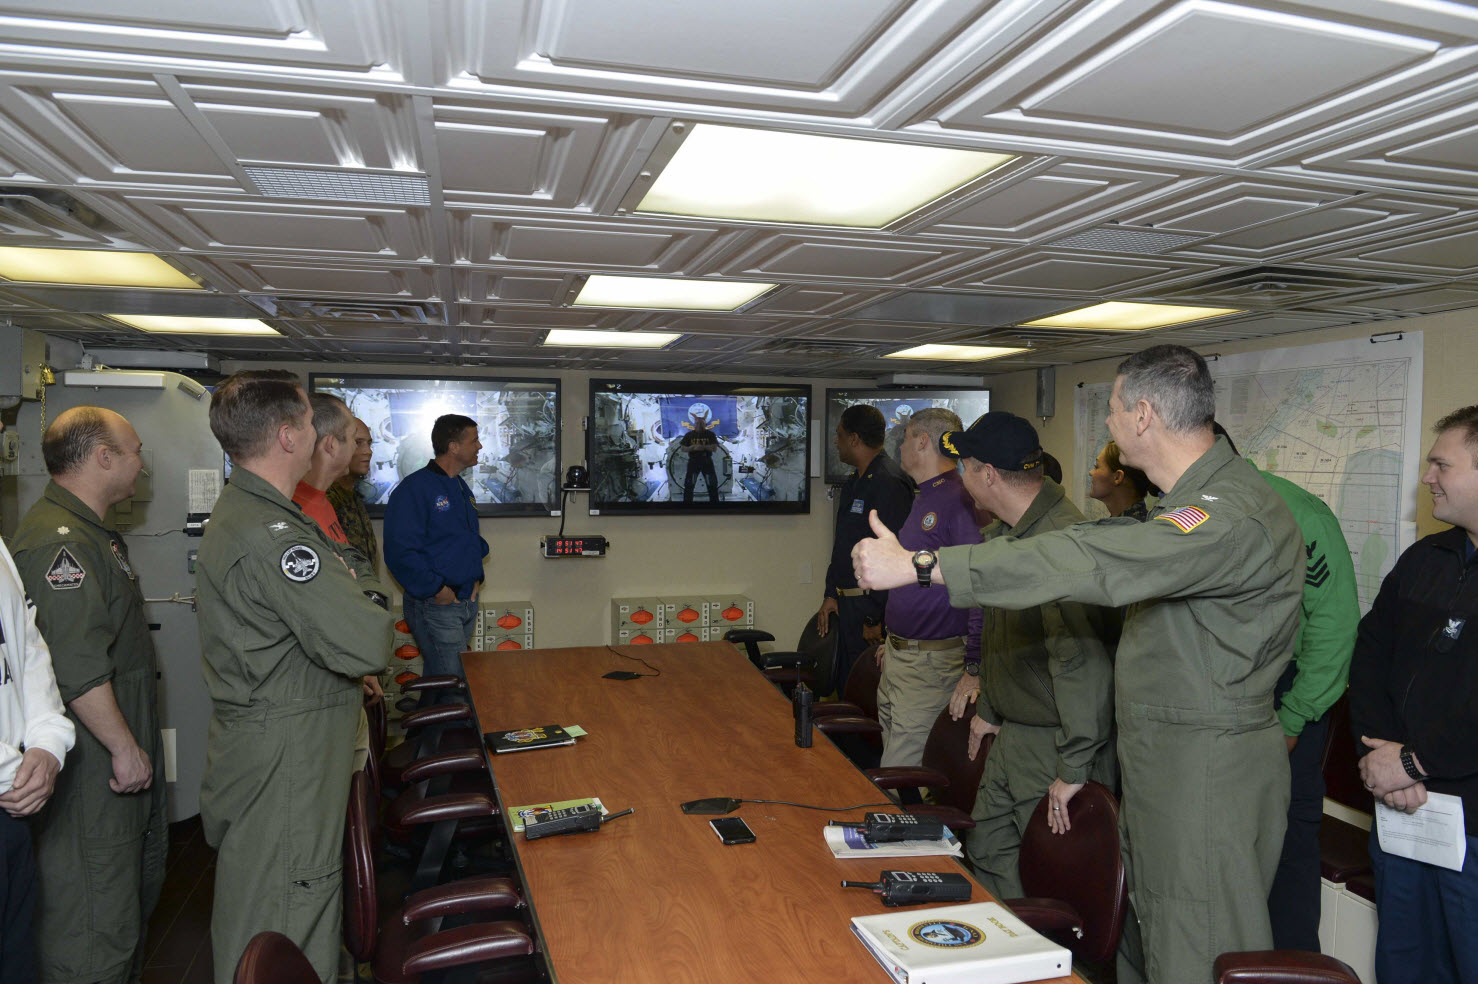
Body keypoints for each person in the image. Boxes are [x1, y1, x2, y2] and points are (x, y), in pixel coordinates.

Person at [854, 345, 1303, 984]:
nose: (1110, 427)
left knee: (1192, 951)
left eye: (1115, 410)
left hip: (1203, 766)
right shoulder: (1187, 504)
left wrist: (922, 566)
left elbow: (1100, 564)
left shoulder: (1225, 514)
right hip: (1165, 759)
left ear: (1143, 415)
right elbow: (1093, 544)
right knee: (1145, 941)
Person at [195, 370, 392, 982]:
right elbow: (367, 639)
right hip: (287, 756)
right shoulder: (273, 535)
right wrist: (368, 603)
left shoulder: (263, 515)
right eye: (311, 423)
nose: (321, 436)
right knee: (287, 916)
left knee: (280, 905)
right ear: (287, 436)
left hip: (283, 742)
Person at [9, 407, 167, 984]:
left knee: (121, 913)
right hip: (92, 776)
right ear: (103, 458)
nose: (140, 465)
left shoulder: (91, 535)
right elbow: (77, 669)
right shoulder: (61, 546)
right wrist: (125, 748)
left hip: (108, 770)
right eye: (134, 452)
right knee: (95, 929)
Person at [938, 412, 1117, 898]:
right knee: (990, 850)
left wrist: (1074, 765)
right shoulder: (1016, 537)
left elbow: (1082, 665)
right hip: (1017, 730)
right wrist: (991, 709)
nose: (961, 479)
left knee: (1052, 877)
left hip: (1054, 742)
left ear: (988, 475)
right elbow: (1007, 637)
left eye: (964, 468)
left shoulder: (1060, 542)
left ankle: (1055, 968)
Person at [1210, 424, 1358, 952]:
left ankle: (1288, 965)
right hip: (1211, 694)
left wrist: (1293, 720)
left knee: (1285, 847)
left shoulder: (1297, 513)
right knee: (1215, 847)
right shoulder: (1181, 514)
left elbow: (1334, 630)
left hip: (1281, 698)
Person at [1349, 404, 1478, 984]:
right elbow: (1370, 653)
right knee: (1404, 963)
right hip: (1402, 814)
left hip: (1471, 831)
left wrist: (1411, 761)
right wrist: (1383, 757)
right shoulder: (1426, 559)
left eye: (1440, 464)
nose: (1427, 478)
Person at [874, 408, 983, 770]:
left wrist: (974, 665)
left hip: (931, 662)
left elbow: (979, 582)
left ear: (922, 441)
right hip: (901, 655)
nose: (900, 446)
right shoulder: (925, 495)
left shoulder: (958, 498)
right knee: (892, 764)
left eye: (905, 438)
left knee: (901, 776)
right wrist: (894, 641)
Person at [292, 395, 387, 774]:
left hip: (350, 667)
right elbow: (317, 605)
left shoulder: (328, 500)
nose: (363, 449)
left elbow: (354, 571)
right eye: (355, 439)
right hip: (326, 685)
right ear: (331, 444)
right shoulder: (296, 505)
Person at [0, 536, 75, 984]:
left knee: (15, 959)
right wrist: (13, 771)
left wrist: (48, 741)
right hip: (11, 785)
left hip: (12, 808)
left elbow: (24, 644)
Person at [384, 414, 490, 685]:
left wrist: (476, 577)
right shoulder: (414, 489)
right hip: (437, 604)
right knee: (455, 686)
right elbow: (401, 552)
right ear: (454, 447)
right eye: (474, 440)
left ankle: (423, 728)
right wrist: (437, 590)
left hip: (465, 600)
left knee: (440, 682)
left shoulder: (460, 485)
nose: (479, 446)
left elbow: (465, 539)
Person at [818, 404, 914, 693]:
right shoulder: (855, 481)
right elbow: (844, 544)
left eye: (839, 434)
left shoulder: (889, 482)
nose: (836, 441)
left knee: (865, 694)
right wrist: (830, 593)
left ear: (854, 439)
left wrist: (875, 617)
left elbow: (893, 555)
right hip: (847, 605)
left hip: (870, 609)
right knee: (845, 686)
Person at [327, 417, 379, 573]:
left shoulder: (352, 496)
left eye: (369, 443)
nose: (368, 451)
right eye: (358, 443)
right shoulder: (327, 499)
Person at [1089, 439, 1151, 520]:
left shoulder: (1132, 529)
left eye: (1097, 466)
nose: (1091, 472)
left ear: (1117, 477)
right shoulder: (1130, 524)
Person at [679, 411, 721, 503]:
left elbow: (714, 448)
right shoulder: (689, 435)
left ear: (705, 424)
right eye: (698, 423)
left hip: (707, 461)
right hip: (693, 462)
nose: (700, 425)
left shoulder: (710, 435)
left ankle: (715, 506)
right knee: (689, 484)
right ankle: (687, 506)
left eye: (702, 423)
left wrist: (702, 447)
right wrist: (691, 448)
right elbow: (683, 448)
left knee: (712, 484)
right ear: (694, 424)